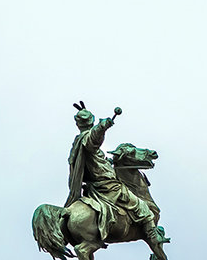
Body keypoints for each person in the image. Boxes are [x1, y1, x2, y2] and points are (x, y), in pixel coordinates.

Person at [66, 103, 162, 245]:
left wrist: (109, 162)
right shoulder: (86, 138)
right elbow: (93, 138)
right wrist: (103, 126)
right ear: (91, 122)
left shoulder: (77, 142)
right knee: (142, 207)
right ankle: (153, 237)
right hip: (109, 186)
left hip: (96, 185)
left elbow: (96, 162)